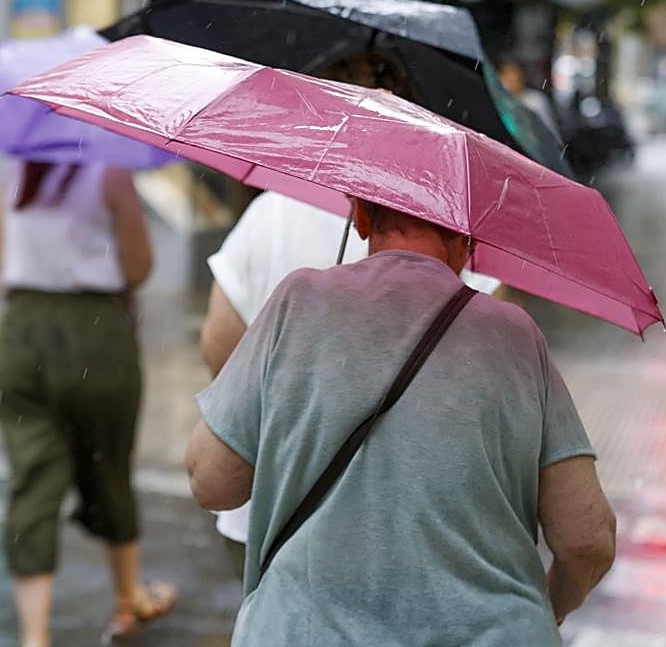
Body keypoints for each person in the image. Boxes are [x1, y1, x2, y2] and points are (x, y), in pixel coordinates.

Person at [186, 197, 616, 647]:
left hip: (306, 643)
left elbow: (212, 481)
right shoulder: (515, 335)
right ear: (468, 240)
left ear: (363, 219)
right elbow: (587, 538)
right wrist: (542, 609)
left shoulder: (299, 303)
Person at [199, 190, 501, 576]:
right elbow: (480, 391)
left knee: (268, 626)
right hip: (401, 531)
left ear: (359, 216)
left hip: (271, 521)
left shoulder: (272, 210)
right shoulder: (459, 227)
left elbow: (219, 348)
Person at [0, 160, 176, 647]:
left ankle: (34, 641)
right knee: (108, 465)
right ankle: (126, 600)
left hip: (21, 331)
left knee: (32, 477)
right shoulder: (109, 172)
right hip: (96, 332)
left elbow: (1, 259)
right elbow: (139, 268)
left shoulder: (12, 172)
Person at [499, 59, 561, 140]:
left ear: (522, 77)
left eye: (513, 78)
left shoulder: (536, 101)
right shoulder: (500, 102)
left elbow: (550, 133)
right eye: (507, 79)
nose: (510, 83)